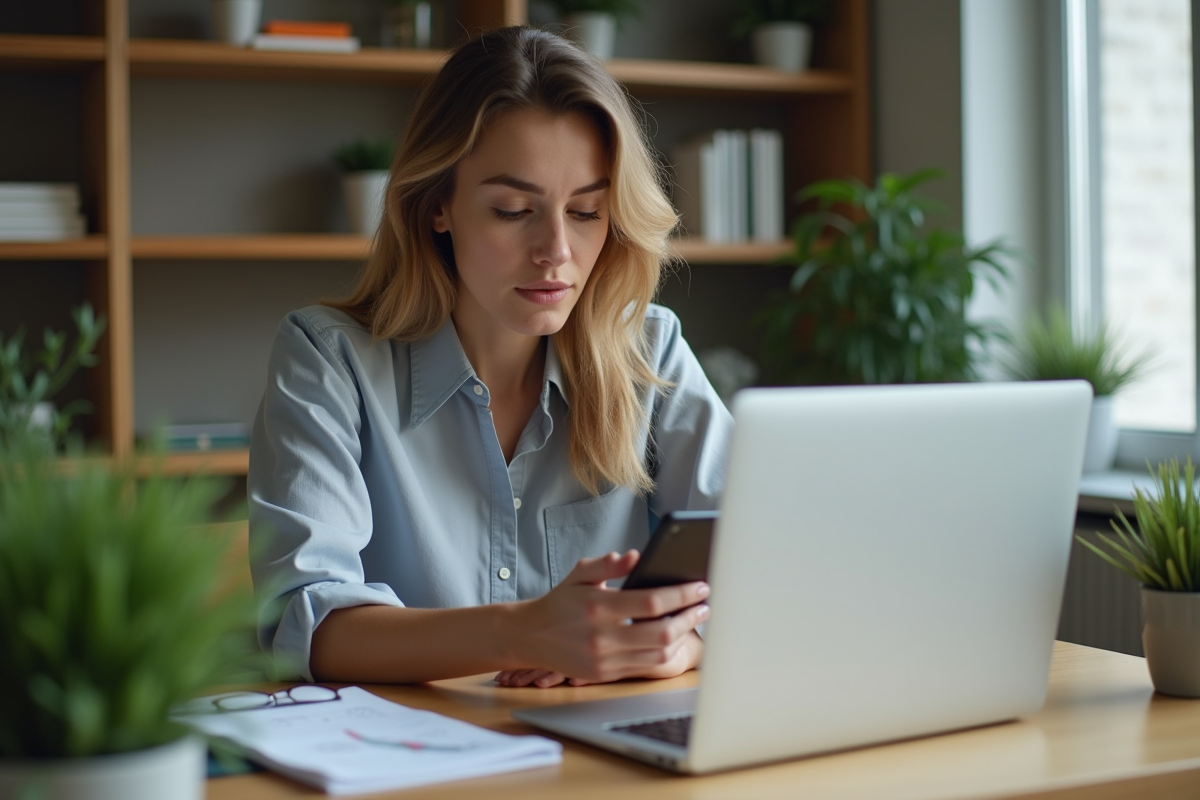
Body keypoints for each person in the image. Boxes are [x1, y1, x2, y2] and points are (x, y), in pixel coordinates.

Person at [248, 26, 732, 689]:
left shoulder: (650, 351)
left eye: (587, 211)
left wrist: (684, 645)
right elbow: (305, 623)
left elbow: (763, 560)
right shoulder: (328, 360)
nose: (556, 250)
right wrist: (524, 632)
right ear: (438, 205)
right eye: (512, 210)